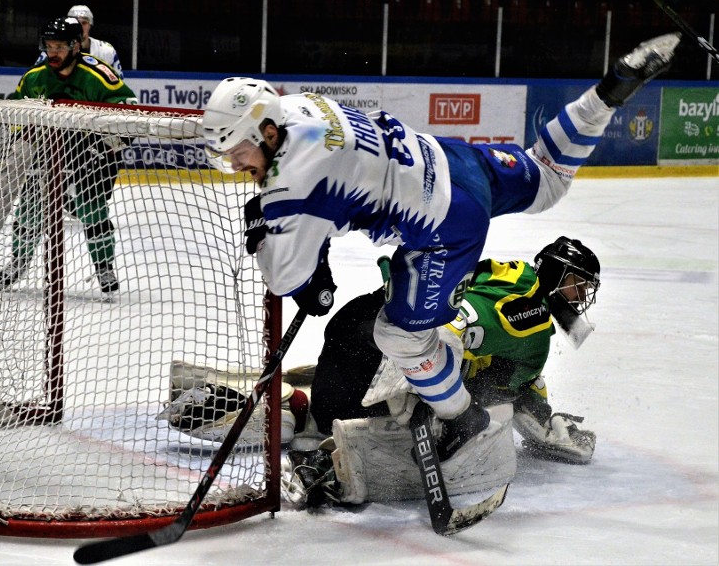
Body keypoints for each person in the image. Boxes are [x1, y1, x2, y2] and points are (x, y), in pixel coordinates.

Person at [200, 33, 679, 474]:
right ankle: (608, 93)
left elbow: (285, 279)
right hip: (451, 160)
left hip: (445, 225)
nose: (237, 166)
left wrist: (262, 225)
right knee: (547, 178)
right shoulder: (300, 105)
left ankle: (462, 417)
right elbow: (332, 193)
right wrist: (309, 243)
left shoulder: (291, 183)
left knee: (400, 336)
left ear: (264, 131)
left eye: (238, 152)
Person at [284, 237, 601, 506]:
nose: (582, 298)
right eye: (579, 285)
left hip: (370, 320)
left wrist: (547, 422)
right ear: (557, 273)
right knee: (390, 417)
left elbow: (520, 385)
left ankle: (298, 410)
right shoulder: (530, 312)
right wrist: (415, 381)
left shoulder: (518, 278)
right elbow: (456, 323)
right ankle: (322, 464)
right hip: (388, 345)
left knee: (329, 407)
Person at [0, 17, 137, 293]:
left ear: (75, 46)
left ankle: (104, 266)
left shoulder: (97, 76)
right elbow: (15, 107)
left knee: (92, 208)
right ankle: (19, 260)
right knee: (30, 208)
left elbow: (128, 108)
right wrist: (21, 138)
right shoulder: (36, 77)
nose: (53, 53)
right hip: (49, 148)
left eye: (59, 46)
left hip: (91, 149)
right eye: (49, 46)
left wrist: (108, 144)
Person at [34, 5, 123, 78]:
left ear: (90, 24)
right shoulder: (52, 51)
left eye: (84, 23)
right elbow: (37, 78)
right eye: (77, 22)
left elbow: (118, 82)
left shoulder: (106, 50)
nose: (80, 26)